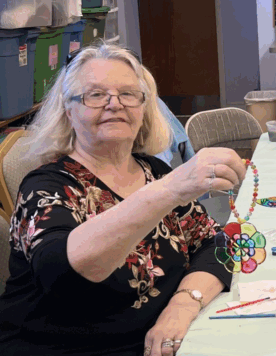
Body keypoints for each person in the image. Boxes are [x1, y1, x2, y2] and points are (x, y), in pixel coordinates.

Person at [0, 44, 246, 356]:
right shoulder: (45, 187)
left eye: (128, 94)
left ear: (144, 107)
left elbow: (216, 245)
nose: (114, 104)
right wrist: (172, 189)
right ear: (68, 110)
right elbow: (62, 273)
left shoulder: (153, 170)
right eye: (95, 94)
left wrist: (183, 304)